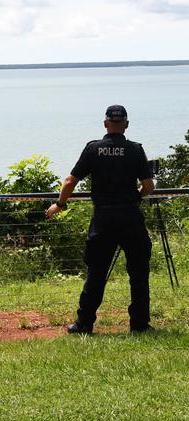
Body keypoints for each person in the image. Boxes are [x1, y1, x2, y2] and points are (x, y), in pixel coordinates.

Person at [46, 105, 155, 334]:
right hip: (130, 217)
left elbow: (69, 182)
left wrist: (60, 204)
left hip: (103, 219)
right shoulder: (135, 150)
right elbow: (148, 186)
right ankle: (139, 325)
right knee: (138, 273)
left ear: (105, 124)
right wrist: (136, 195)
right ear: (126, 125)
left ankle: (84, 323)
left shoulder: (93, 149)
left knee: (96, 273)